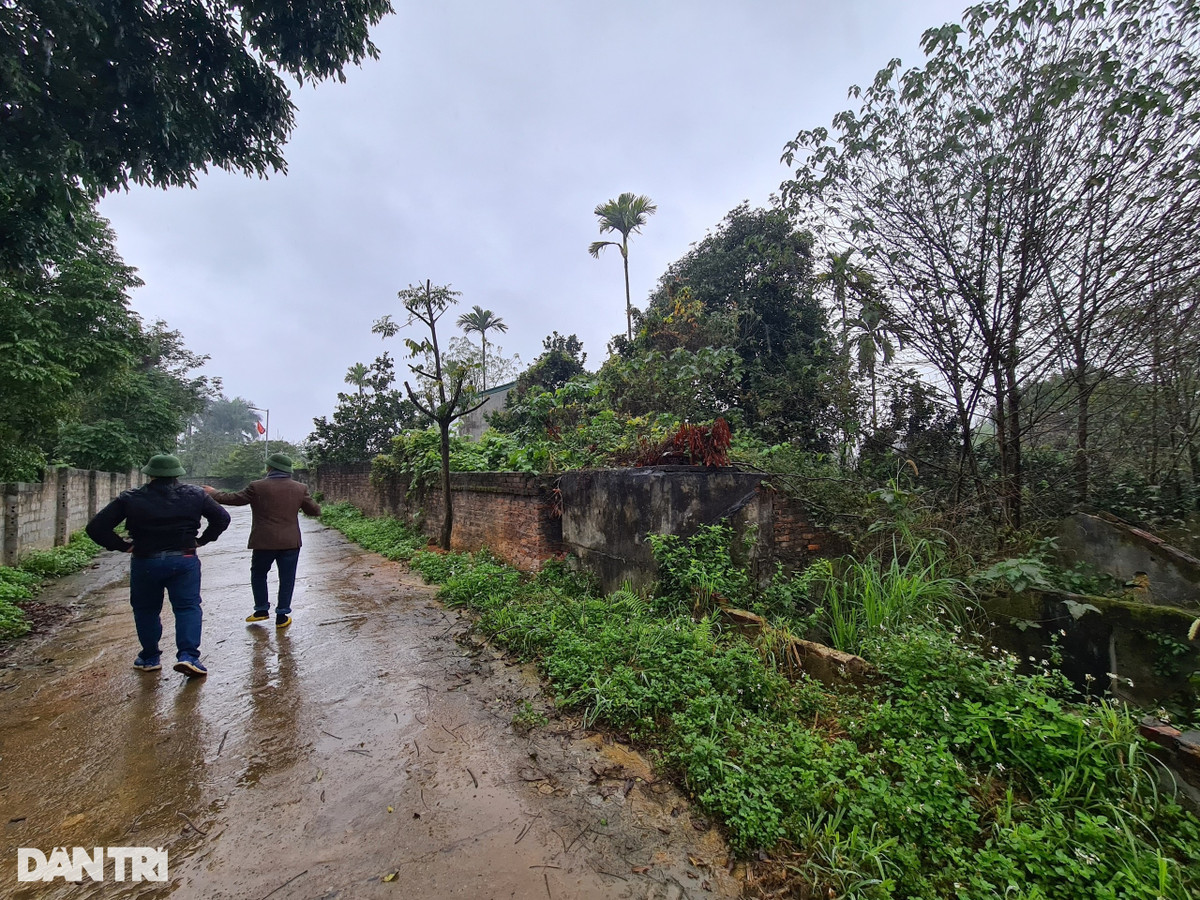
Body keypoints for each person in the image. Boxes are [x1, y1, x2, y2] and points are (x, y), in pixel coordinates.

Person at [86, 453, 231, 678]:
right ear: (177, 474)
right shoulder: (196, 495)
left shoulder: (130, 498)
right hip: (184, 559)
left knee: (146, 610)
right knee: (187, 607)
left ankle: (150, 657)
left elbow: (96, 528)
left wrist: (122, 546)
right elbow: (222, 518)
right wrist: (202, 540)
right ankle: (188, 656)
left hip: (146, 560)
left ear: (150, 474)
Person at [204, 453, 321, 628]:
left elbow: (234, 499)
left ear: (269, 468)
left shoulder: (257, 486)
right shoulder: (299, 488)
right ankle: (282, 615)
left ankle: (261, 610)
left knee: (258, 574)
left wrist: (214, 493)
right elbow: (314, 511)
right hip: (290, 542)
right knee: (287, 577)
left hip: (263, 541)